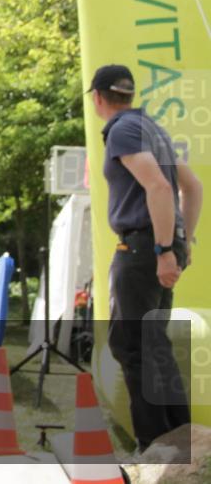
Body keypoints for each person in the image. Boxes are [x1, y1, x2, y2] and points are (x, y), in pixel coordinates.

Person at [88, 64, 200, 452]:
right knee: (152, 345)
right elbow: (193, 187)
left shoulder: (122, 130)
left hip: (141, 249)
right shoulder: (153, 129)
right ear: (130, 95)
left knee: (133, 346)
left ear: (98, 97)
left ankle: (154, 443)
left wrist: (166, 249)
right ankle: (181, 438)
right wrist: (185, 241)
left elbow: (159, 185)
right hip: (154, 248)